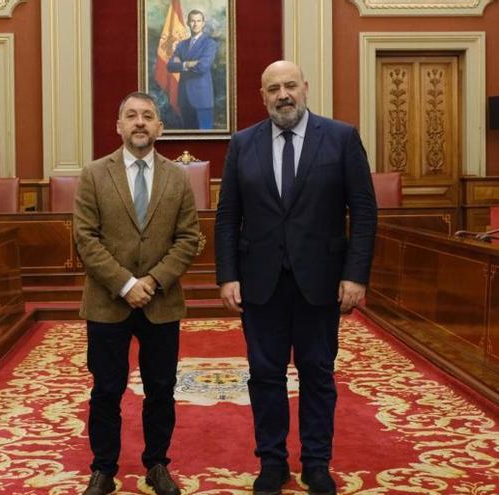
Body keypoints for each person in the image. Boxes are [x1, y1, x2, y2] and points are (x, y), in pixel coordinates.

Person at [214, 61, 377, 495]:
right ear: (262, 95)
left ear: (305, 88)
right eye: (273, 89)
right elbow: (228, 216)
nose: (282, 95)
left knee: (317, 374)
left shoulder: (341, 137)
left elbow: (363, 212)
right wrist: (227, 275)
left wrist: (355, 275)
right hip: (260, 283)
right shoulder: (242, 143)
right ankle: (272, 462)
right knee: (264, 375)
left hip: (321, 282)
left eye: (289, 86)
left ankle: (316, 463)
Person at [74, 91, 200, 495]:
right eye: (131, 115)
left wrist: (153, 281)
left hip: (161, 302)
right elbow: (85, 238)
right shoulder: (94, 174)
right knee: (106, 389)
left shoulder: (179, 178)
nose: (140, 122)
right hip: (107, 302)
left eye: (148, 116)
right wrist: (126, 284)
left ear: (160, 127)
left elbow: (188, 239)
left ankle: (158, 465)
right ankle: (103, 470)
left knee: (161, 389)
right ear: (119, 126)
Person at [166, 9, 217, 129]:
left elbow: (203, 67)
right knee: (187, 136)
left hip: (201, 98)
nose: (195, 24)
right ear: (188, 23)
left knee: (205, 138)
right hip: (184, 97)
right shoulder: (181, 45)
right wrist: (188, 64)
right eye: (192, 21)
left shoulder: (209, 43)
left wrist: (181, 64)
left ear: (203, 23)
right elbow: (170, 66)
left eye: (198, 21)